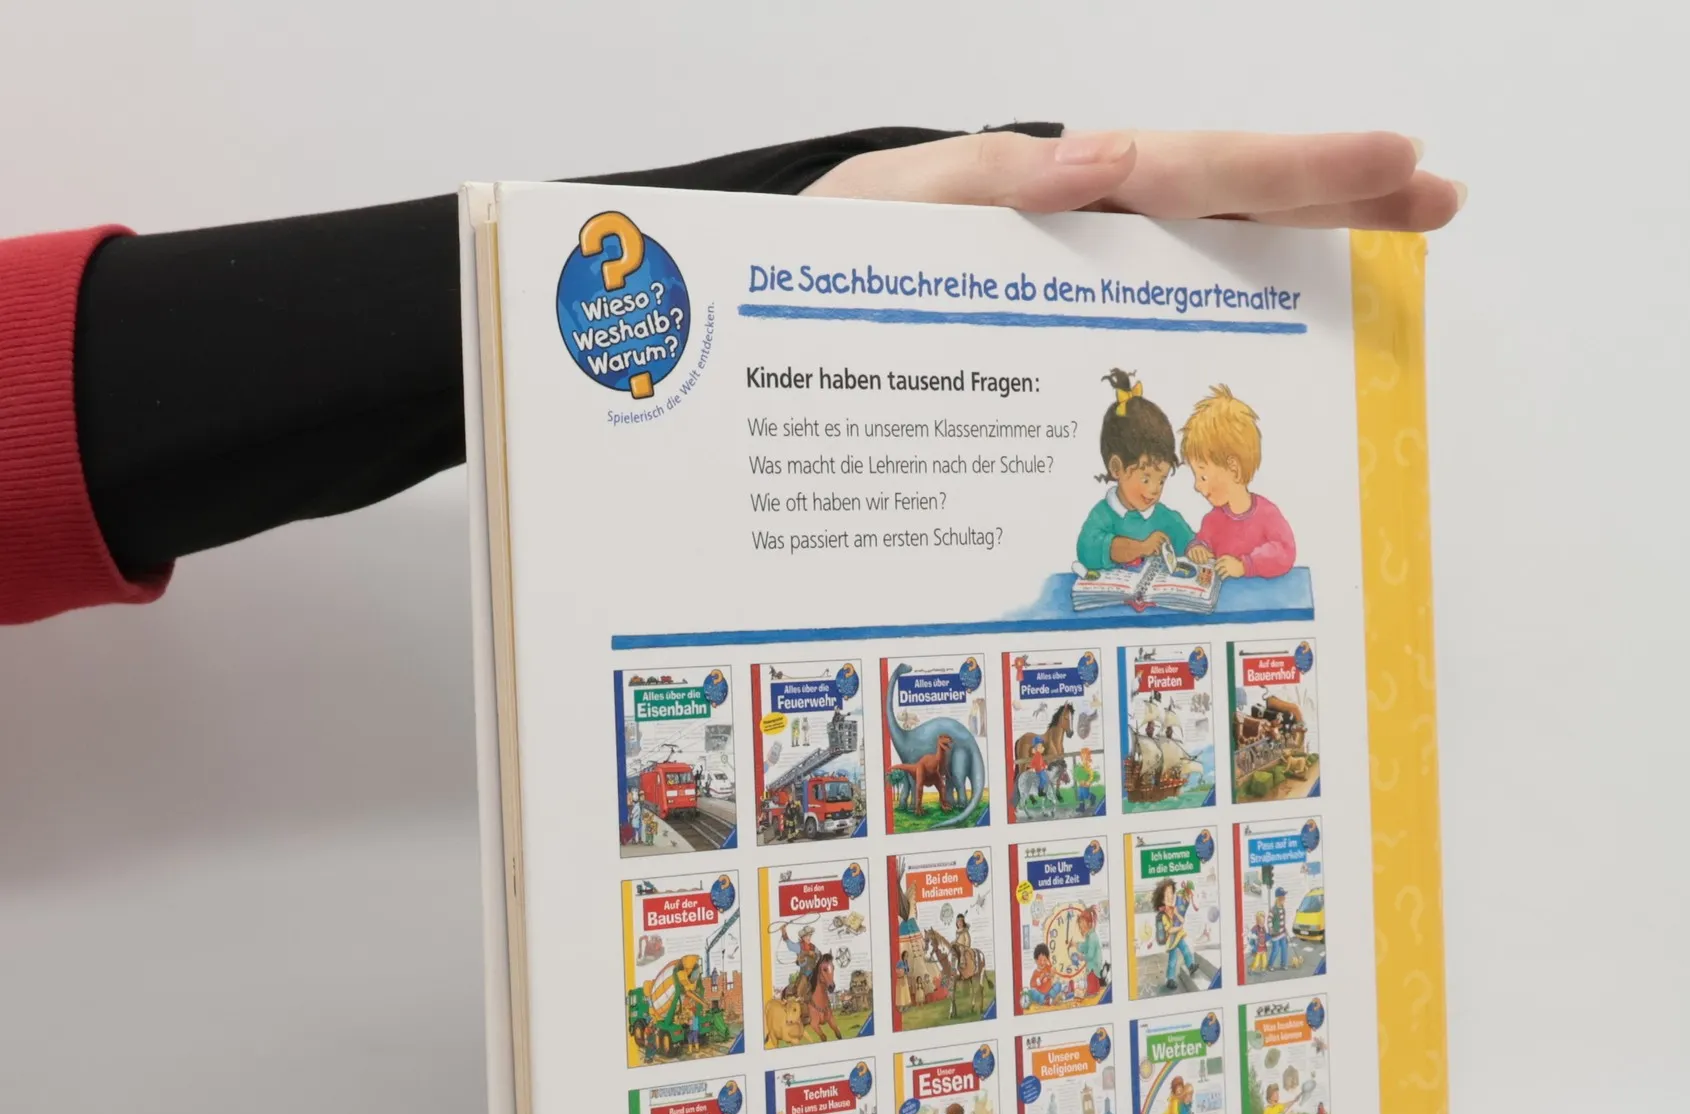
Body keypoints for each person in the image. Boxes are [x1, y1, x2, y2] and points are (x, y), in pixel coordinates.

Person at [0, 128, 1459, 627]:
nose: (1166, 484)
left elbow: (58, 399)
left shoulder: (1220, 520)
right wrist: (748, 241)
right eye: (1157, 469)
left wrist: (769, 226)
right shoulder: (1114, 518)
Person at [1074, 371, 1205, 573]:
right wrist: (1140, 547)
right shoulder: (1103, 515)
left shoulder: (1163, 517)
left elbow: (1188, 539)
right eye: (1146, 479)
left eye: (1161, 481)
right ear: (1116, 469)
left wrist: (1195, 548)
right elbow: (1086, 550)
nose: (1154, 490)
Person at [1180, 385, 1298, 579]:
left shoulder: (1267, 514)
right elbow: (1202, 541)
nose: (1197, 486)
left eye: (1203, 477)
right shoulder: (1213, 520)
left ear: (1233, 469)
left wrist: (1245, 566)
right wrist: (1197, 549)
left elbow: (1285, 552)